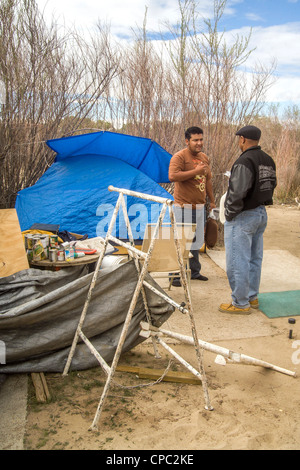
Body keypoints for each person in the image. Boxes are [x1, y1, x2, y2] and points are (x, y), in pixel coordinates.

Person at [219, 125, 277, 314]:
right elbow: (271, 184)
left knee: (237, 261)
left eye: (239, 139)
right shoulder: (268, 160)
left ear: (243, 139)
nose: (238, 142)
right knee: (253, 259)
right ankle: (251, 297)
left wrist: (229, 213)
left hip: (243, 216)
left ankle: (240, 303)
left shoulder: (245, 160)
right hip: (260, 213)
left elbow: (237, 192)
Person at [168, 126, 216, 285]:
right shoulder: (179, 157)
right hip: (183, 206)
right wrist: (195, 171)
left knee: (196, 241)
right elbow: (172, 176)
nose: (199, 143)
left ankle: (194, 272)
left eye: (201, 139)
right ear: (187, 141)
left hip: (200, 206)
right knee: (182, 242)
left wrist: (212, 200)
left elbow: (207, 179)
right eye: (195, 140)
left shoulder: (204, 157)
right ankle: (175, 275)